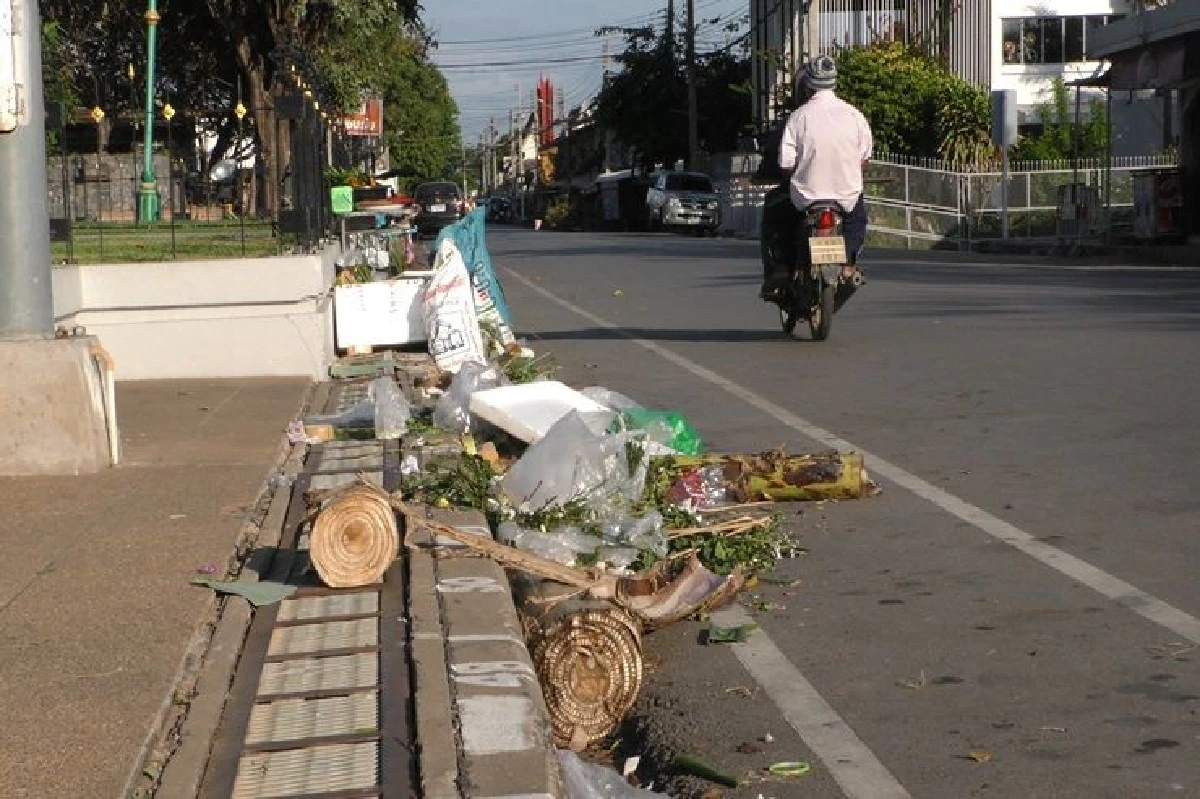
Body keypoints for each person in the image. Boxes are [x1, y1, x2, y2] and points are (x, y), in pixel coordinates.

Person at [760, 55, 873, 300]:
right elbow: (864, 161)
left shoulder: (797, 118)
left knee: (775, 214)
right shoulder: (855, 116)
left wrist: (802, 174)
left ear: (807, 85)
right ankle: (849, 266)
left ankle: (780, 268)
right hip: (846, 196)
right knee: (857, 223)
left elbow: (786, 163)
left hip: (805, 197)